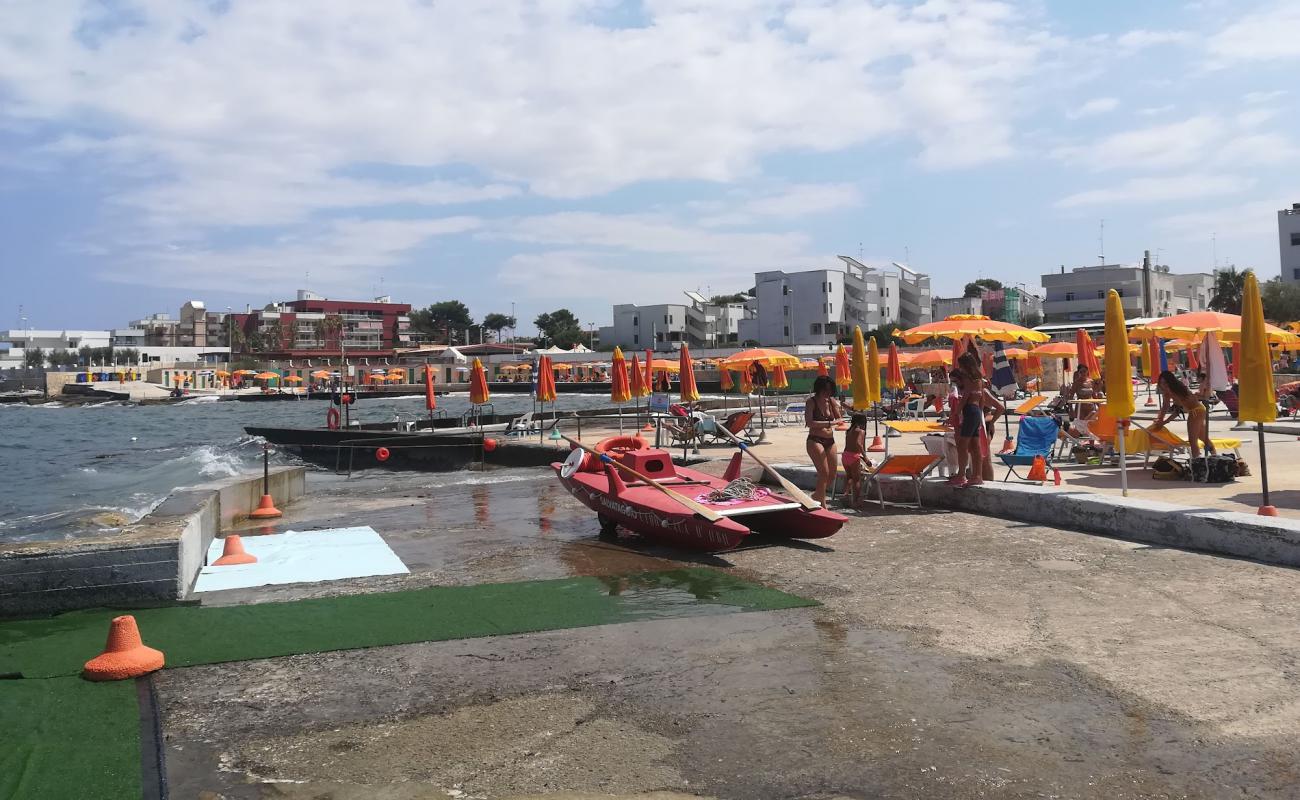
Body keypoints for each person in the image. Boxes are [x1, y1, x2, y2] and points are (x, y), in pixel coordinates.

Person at [1152, 369, 1215, 461]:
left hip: (1195, 411)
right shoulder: (1168, 393)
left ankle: (1196, 462)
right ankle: (1214, 456)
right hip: (1197, 410)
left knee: (1193, 440)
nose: (1163, 385)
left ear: (1171, 382)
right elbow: (1165, 406)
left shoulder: (1176, 391)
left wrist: (1163, 422)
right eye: (1161, 383)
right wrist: (1159, 419)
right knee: (1203, 438)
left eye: (1165, 383)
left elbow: (1177, 411)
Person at [804, 375, 842, 506]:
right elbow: (809, 422)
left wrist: (838, 408)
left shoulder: (831, 402)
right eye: (825, 390)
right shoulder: (811, 402)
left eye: (830, 390)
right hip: (815, 440)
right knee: (824, 472)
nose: (828, 393)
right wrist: (828, 423)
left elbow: (839, 419)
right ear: (819, 389)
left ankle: (817, 495)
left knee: (832, 474)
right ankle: (822, 501)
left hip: (830, 440)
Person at [841, 413, 870, 507]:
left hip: (845, 456)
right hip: (854, 457)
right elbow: (858, 444)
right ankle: (856, 502)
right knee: (856, 479)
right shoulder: (860, 431)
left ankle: (845, 495)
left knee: (849, 477)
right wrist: (866, 458)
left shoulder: (848, 431)